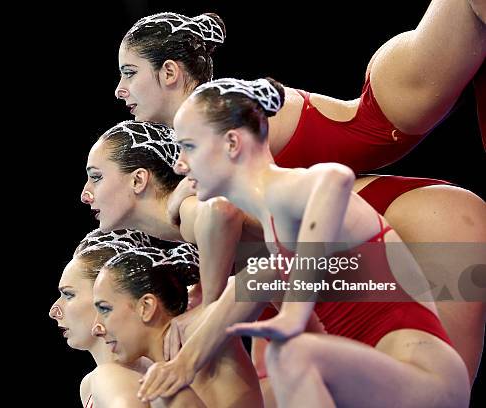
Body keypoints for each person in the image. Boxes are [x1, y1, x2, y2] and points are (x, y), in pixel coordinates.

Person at [137, 77, 473, 407]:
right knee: (263, 296)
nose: (179, 163)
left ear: (231, 144)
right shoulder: (276, 225)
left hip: (424, 374)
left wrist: (295, 312)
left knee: (291, 353)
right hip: (382, 376)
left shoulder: (286, 189)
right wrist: (180, 367)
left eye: (189, 146)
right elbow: (246, 287)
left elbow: (335, 178)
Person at [116, 2, 485, 171]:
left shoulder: (217, 117)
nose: (119, 89)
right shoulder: (202, 134)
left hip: (386, 109)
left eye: (129, 72)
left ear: (169, 72)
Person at [81, 120, 263, 306]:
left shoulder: (187, 209)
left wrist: (209, 304)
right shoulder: (191, 227)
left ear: (138, 180)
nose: (84, 196)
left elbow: (221, 212)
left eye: (96, 177)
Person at [91, 243, 263, 407]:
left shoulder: (194, 332)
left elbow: (269, 270)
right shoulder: (148, 367)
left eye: (105, 309)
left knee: (157, 390)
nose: (96, 328)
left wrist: (187, 362)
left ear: (146, 307)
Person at [49, 228, 204, 407]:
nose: (53, 310)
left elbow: (244, 279)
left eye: (68, 294)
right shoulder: (91, 384)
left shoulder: (203, 339)